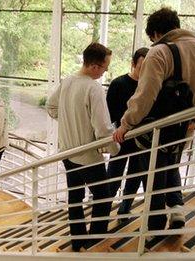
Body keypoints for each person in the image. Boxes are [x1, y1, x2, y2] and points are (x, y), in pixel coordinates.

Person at [113, 7, 195, 231]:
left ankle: (153, 232)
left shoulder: (160, 52)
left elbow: (144, 96)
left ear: (155, 34)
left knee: (153, 182)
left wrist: (125, 125)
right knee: (171, 170)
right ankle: (176, 212)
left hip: (154, 133)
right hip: (183, 133)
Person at [46, 42, 120, 252]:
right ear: (95, 66)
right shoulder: (93, 88)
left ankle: (78, 241)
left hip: (68, 154)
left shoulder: (68, 81)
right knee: (104, 197)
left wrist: (71, 120)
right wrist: (116, 151)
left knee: (75, 197)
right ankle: (95, 240)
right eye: (105, 68)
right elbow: (104, 129)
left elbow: (51, 106)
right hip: (88, 157)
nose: (105, 72)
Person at [106, 47, 149, 223]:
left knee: (134, 178)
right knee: (113, 178)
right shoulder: (118, 84)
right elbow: (110, 112)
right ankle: (103, 212)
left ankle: (124, 212)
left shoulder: (150, 86)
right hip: (121, 139)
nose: (145, 71)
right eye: (141, 66)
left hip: (141, 141)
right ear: (133, 64)